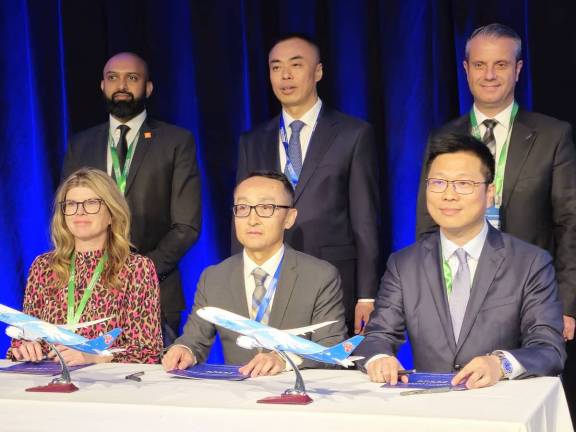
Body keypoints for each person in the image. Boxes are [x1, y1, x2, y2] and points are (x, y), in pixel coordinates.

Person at [358, 134, 565, 389]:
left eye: (463, 184)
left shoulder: (530, 262)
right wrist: (380, 358)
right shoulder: (404, 264)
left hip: (500, 408)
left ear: (490, 193)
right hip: (428, 410)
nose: (448, 195)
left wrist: (500, 364)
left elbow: (549, 348)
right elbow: (378, 335)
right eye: (438, 183)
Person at [416, 23, 576, 342]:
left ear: (517, 70)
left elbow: (570, 224)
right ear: (466, 69)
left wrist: (567, 305)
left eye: (500, 64)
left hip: (533, 298)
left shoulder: (553, 136)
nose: (489, 75)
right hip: (458, 300)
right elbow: (428, 225)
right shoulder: (443, 138)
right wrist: (429, 299)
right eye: (479, 65)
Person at [236, 34, 380, 336]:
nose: (285, 76)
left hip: (333, 278)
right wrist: (238, 287)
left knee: (329, 373)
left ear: (318, 72)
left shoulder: (352, 134)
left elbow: (365, 220)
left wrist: (367, 294)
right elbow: (240, 217)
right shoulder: (253, 140)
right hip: (267, 280)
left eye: (296, 65)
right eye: (276, 67)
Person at [62, 52, 201, 345]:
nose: (121, 84)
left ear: (148, 87)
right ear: (102, 85)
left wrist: (139, 273)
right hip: (88, 294)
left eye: (132, 78)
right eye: (113, 77)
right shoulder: (80, 144)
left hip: (155, 290)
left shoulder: (176, 142)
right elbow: (70, 216)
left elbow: (186, 226)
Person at [162, 171, 347, 376]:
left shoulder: (320, 276)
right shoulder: (214, 277)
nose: (252, 219)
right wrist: (184, 350)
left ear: (289, 218)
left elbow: (332, 348)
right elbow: (193, 340)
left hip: (296, 396)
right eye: (242, 208)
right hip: (237, 398)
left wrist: (283, 359)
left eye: (266, 208)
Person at [7, 168, 163, 364]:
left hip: (107, 387)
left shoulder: (137, 268)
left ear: (112, 214)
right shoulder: (43, 267)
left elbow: (148, 351)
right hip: (48, 381)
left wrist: (93, 357)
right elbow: (22, 338)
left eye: (91, 203)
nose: (79, 211)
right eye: (71, 204)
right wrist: (25, 348)